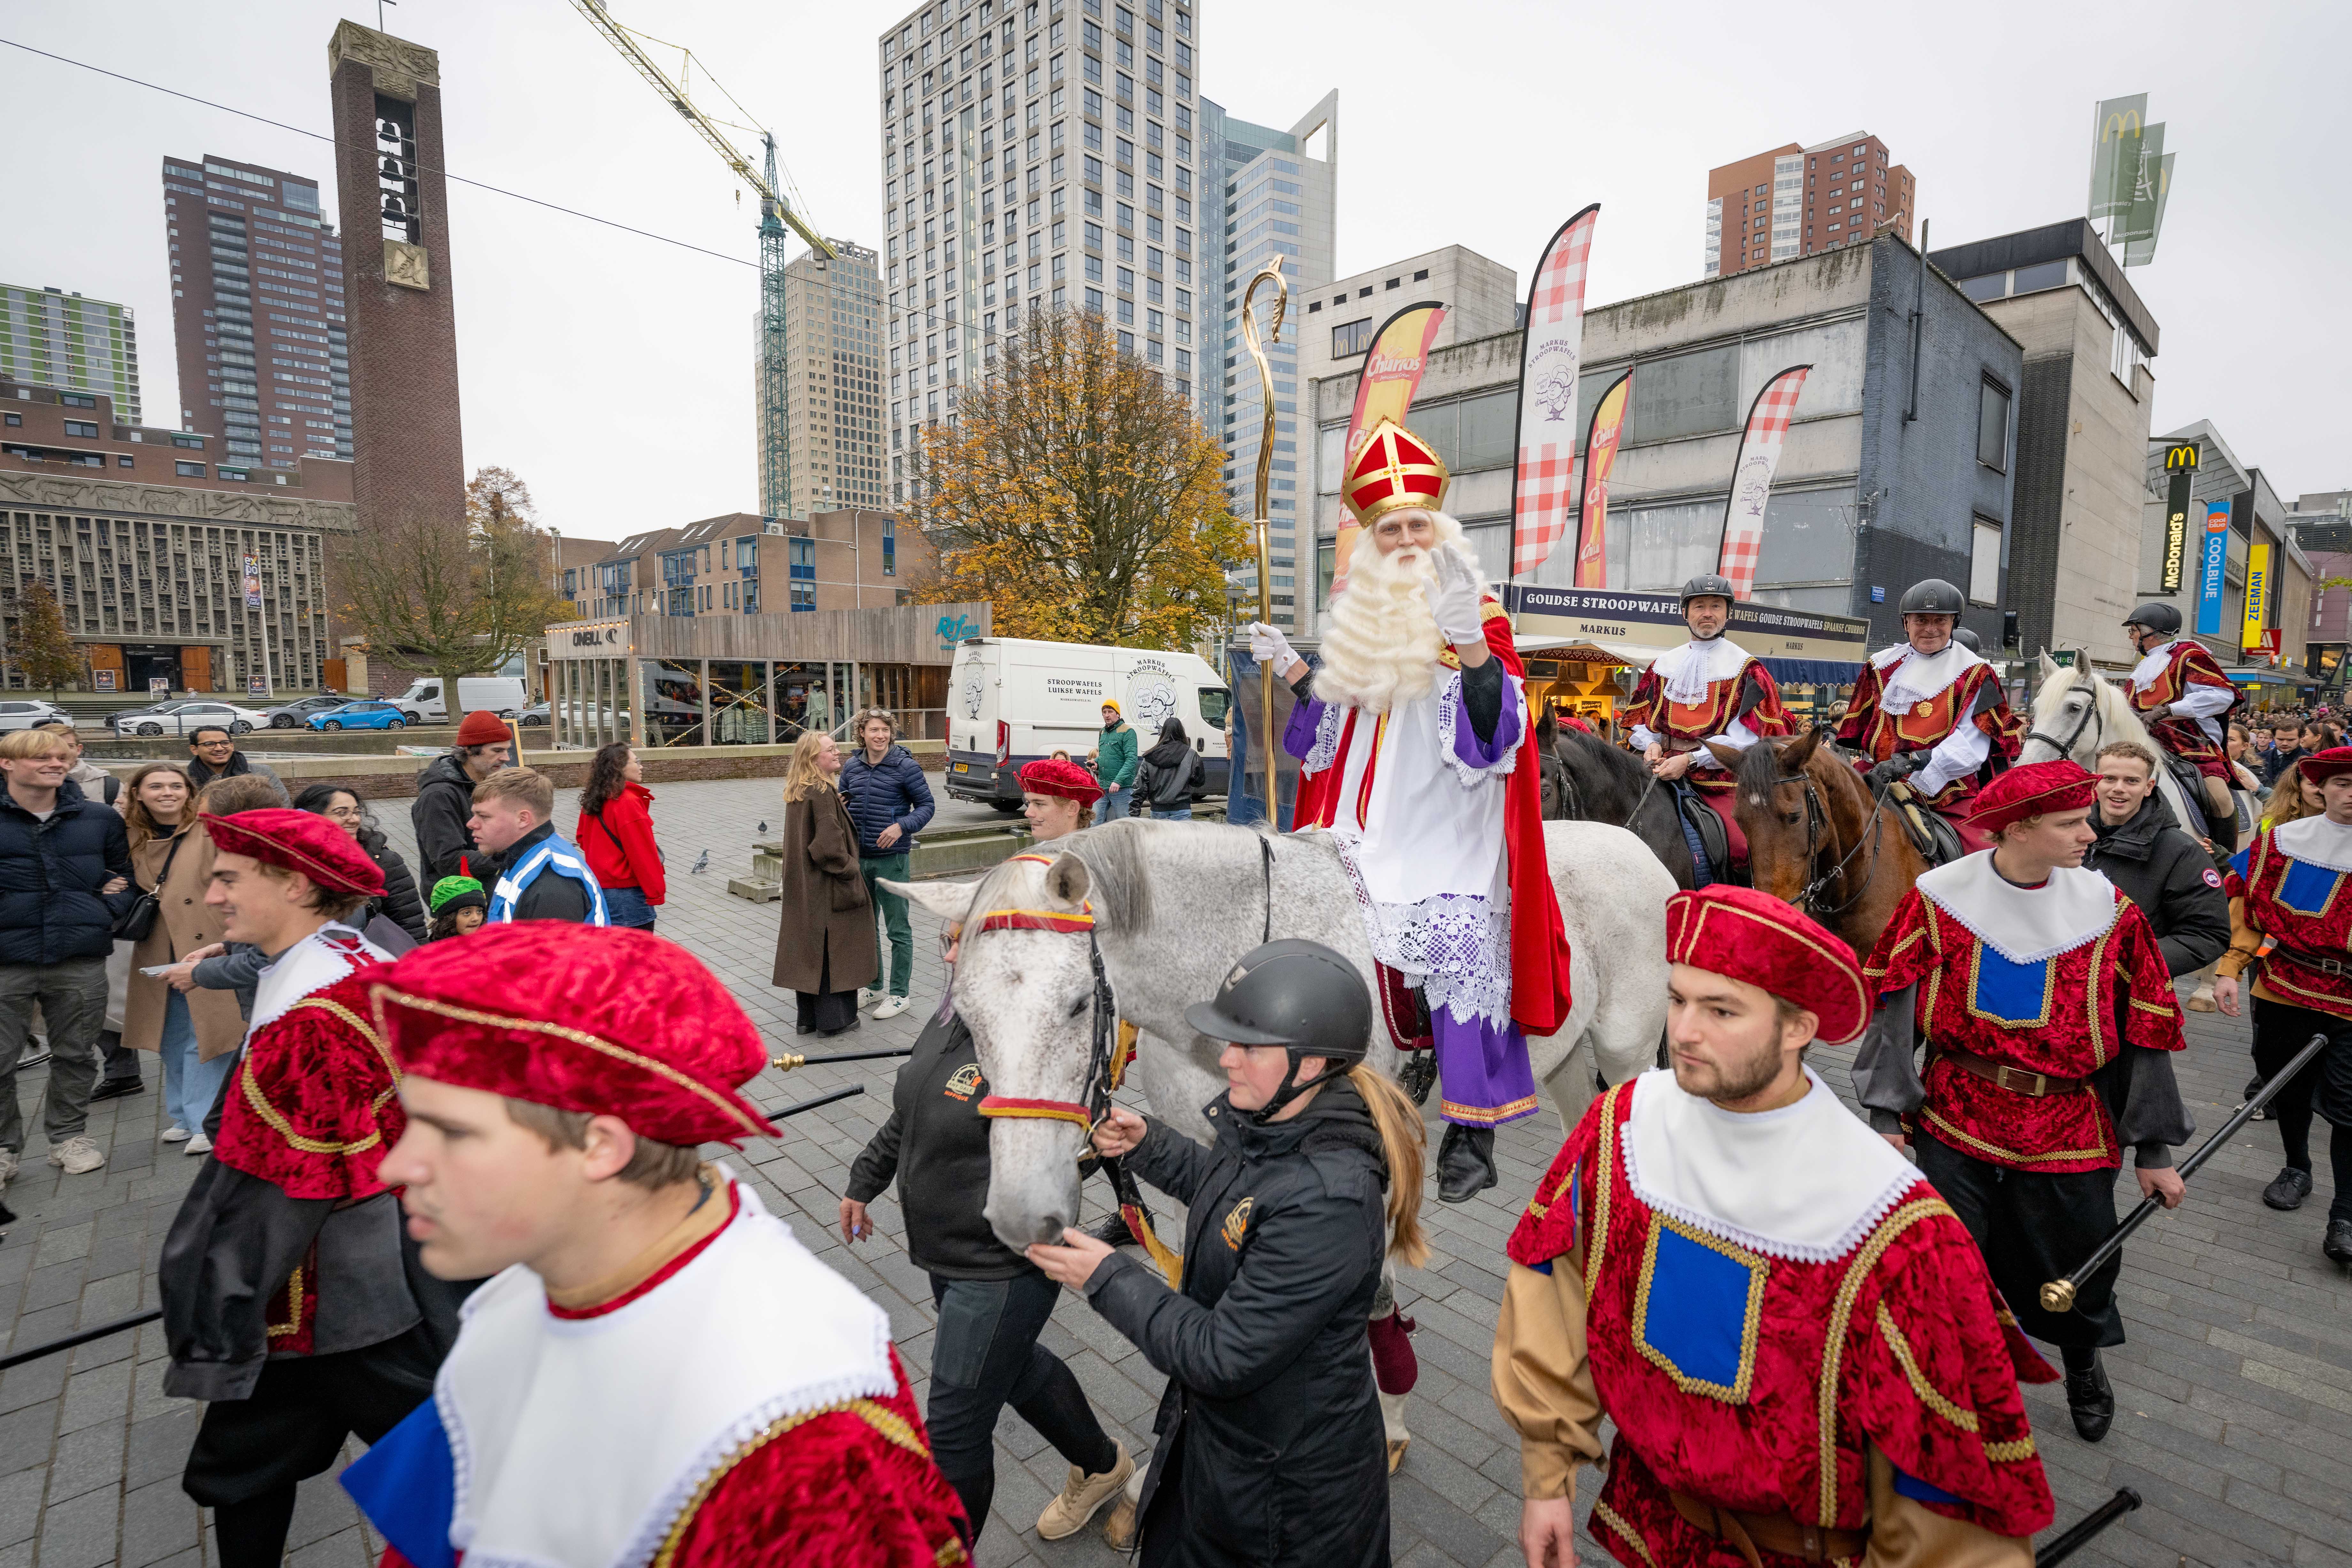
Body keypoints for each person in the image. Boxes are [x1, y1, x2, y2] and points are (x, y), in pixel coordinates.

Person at [339, 922, 971, 1567]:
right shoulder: (541, 1278)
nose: (394, 1167)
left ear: (600, 1146)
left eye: (450, 1131)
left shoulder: (794, 1445)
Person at [1494, 884, 2057, 1568]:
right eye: (1677, 999)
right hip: (1646, 1524)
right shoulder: (1620, 1126)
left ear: (1797, 1028)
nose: (1683, 1031)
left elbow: (1945, 1494)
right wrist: (1546, 1475)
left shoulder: (1901, 1228)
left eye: (1720, 1009)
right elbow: (1552, 1297)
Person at [1026, 938, 1429, 1568]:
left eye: (1248, 1047)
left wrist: (1105, 1275)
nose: (1225, 1058)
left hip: (1285, 1506)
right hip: (1240, 1451)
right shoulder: (1279, 1123)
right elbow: (1239, 1202)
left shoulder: (1328, 1200)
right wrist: (1148, 1144)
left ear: (1309, 1062)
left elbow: (1220, 1354)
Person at [1251, 418, 1573, 1202]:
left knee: (1453, 933)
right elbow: (1334, 728)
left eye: (1414, 525)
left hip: (1446, 814)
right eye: (1387, 528)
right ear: (1370, 539)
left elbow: (1496, 736)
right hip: (1361, 818)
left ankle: (1473, 1125)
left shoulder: (1476, 609)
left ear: (1437, 528)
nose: (1402, 539)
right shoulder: (1359, 620)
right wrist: (1293, 671)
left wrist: (1470, 650)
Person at [1857, 759, 2191, 1442]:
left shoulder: (2109, 911)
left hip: (2068, 1120)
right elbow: (1896, 1008)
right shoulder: (1938, 899)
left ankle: (2081, 1359)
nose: (2088, 833)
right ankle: (1953, 1382)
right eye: (2070, 823)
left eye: (2085, 819)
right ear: (2017, 828)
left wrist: (2153, 1149)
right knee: (1948, 1259)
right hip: (1957, 1112)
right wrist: (1886, 1113)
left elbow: (2145, 1028)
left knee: (2077, 1258)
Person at [155, 808, 439, 1568]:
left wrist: (212, 1295)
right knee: (249, 1461)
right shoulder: (349, 952)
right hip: (360, 1270)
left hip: (318, 1290)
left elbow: (272, 1194)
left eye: (229, 878)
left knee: (445, 1471)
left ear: (295, 884)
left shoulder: (307, 1023)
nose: (214, 895)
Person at [841, 910, 1132, 1544]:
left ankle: (946, 1553)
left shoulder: (1037, 1038)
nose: (946, 956)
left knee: (953, 1431)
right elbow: (912, 1107)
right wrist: (866, 1177)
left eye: (961, 943)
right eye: (947, 941)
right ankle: (1102, 1465)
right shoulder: (956, 1011)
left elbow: (1069, 1143)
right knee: (1012, 1365)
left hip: (1002, 1263)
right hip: (947, 1253)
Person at [2212, 747, 2352, 1267]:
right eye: (2342, 783)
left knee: (2348, 1104)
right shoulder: (2282, 841)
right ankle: (2297, 1167)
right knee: (2287, 1087)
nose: (2351, 793)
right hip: (2283, 986)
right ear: (2321, 787)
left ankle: (2345, 1215)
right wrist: (2229, 968)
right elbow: (2247, 910)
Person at [0, 727, 134, 1181]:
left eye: (62, 756)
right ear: (7, 763)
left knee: (76, 1054)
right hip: (6, 960)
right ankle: (4, 1147)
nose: (57, 763)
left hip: (78, 956)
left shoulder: (98, 817)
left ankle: (68, 1137)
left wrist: (103, 912)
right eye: (42, 757)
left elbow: (126, 877)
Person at [1617, 572, 1795, 884]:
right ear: (1685, 613)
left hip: (1719, 779)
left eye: (1716, 606)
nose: (1707, 614)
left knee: (1741, 848)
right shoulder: (1662, 665)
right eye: (1699, 606)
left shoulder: (1747, 668)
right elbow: (1642, 722)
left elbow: (1749, 740)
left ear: (1728, 614)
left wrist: (1690, 760)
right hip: (1657, 770)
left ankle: (1744, 901)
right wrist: (1651, 744)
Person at [1834, 579, 2022, 852]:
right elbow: (1866, 730)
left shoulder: (1975, 672)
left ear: (1953, 623)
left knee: (1985, 853)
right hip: (1878, 779)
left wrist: (1915, 763)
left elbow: (1972, 745)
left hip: (1945, 789)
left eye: (1940, 620)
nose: (1930, 629)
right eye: (1921, 620)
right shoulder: (1880, 665)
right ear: (1906, 623)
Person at [121, 763, 242, 1155]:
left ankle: (206, 1118)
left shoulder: (207, 829)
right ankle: (183, 1115)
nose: (168, 793)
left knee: (206, 1033)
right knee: (170, 1033)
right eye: (156, 786)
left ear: (189, 792)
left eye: (177, 785)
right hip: (159, 942)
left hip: (206, 938)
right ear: (138, 793)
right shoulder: (129, 834)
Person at [2081, 740, 2231, 978]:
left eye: (2131, 781)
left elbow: (2207, 935)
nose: (2118, 788)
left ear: (2148, 787)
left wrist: (2126, 964)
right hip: (2054, 986)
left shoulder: (2183, 851)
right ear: (2094, 782)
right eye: (2109, 779)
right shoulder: (2063, 837)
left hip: (2131, 988)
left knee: (2222, 800)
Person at [771, 731, 876, 1038]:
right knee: (834, 951)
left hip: (804, 887)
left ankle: (808, 1019)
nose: (838, 752)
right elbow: (827, 848)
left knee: (810, 950)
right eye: (830, 749)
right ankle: (834, 1021)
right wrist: (851, 868)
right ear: (813, 758)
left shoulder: (800, 789)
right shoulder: (821, 791)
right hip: (827, 888)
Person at [840, 708, 935, 1019]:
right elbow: (844, 802)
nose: (880, 735)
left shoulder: (906, 766)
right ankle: (873, 985)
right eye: (873, 730)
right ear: (862, 733)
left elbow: (927, 806)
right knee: (866, 928)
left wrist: (901, 827)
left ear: (891, 733)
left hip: (892, 859)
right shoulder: (852, 766)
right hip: (859, 858)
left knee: (898, 929)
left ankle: (899, 994)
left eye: (884, 730)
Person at [2121, 600, 2241, 842]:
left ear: (2151, 632)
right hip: (2142, 741)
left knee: (2219, 799)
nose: (2131, 637)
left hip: (2188, 743)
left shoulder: (2190, 655)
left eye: (2133, 631)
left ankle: (2224, 856)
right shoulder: (2144, 665)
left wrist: (2168, 711)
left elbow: (2221, 696)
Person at [469, 767, 607, 925]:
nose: (472, 824)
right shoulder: (524, 857)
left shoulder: (553, 886)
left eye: (484, 816)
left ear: (523, 819)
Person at [291, 785, 428, 944]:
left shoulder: (383, 861)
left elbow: (411, 925)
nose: (355, 820)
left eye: (357, 812)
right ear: (312, 817)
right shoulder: (290, 863)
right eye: (343, 813)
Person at [410, 711, 512, 884]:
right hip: (462, 896)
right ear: (469, 750)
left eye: (507, 750)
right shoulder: (438, 796)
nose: (506, 758)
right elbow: (448, 861)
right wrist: (512, 855)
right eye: (497, 751)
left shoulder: (497, 784)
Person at [575, 741, 664, 931]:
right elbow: (643, 855)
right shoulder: (628, 802)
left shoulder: (596, 796)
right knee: (636, 949)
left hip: (602, 888)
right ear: (620, 767)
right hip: (628, 895)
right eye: (637, 762)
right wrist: (656, 893)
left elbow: (582, 838)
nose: (641, 767)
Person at [1133, 715, 1207, 820]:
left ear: (1163, 733)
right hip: (1182, 807)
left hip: (1158, 809)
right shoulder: (1191, 755)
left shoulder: (1150, 756)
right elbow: (1199, 782)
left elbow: (1140, 786)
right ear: (1182, 732)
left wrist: (1135, 812)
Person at [36, 721, 119, 807]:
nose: (60, 751)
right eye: (50, 746)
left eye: (68, 746)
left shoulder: (109, 785)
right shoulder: (28, 783)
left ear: (79, 750)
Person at [185, 725, 281, 792]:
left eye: (225, 743)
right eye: (210, 744)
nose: (219, 748)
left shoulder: (263, 773)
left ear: (232, 746)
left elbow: (283, 807)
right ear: (195, 750)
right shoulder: (186, 780)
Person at [1093, 699, 1139, 821]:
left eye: (1110, 712)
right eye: (1104, 712)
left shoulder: (1128, 732)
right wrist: (1096, 762)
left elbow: (1131, 760)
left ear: (1118, 714)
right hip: (1103, 787)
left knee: (1126, 824)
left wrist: (1118, 781)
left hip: (1122, 789)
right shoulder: (1103, 732)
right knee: (1094, 822)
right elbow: (1106, 755)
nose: (1107, 715)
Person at [424, 876, 488, 940]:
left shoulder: (489, 942)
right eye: (467, 913)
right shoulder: (437, 946)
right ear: (448, 918)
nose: (476, 918)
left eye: (480, 911)